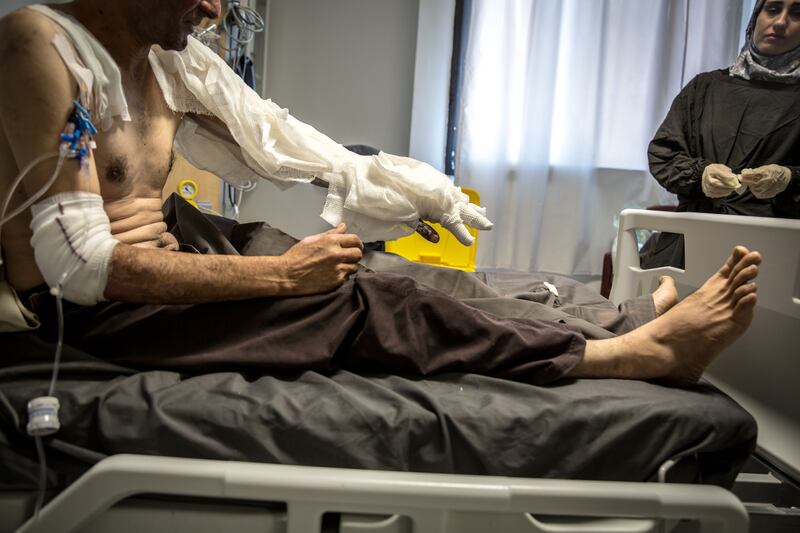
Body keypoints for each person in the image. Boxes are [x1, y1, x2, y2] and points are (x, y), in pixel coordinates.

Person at [0, 0, 761, 389]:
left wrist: (411, 186)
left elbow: (278, 136)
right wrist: (279, 277)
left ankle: (609, 313)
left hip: (175, 249)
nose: (214, 10)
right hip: (99, 314)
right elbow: (76, 266)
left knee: (376, 268)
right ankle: (626, 353)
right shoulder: (39, 43)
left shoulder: (164, 64)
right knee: (361, 302)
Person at [643, 0, 800, 269]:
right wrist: (699, 175)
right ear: (755, 18)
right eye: (772, 9)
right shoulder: (705, 88)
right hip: (691, 244)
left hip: (774, 256)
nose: (781, 22)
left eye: (797, 13)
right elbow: (663, 154)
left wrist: (789, 180)